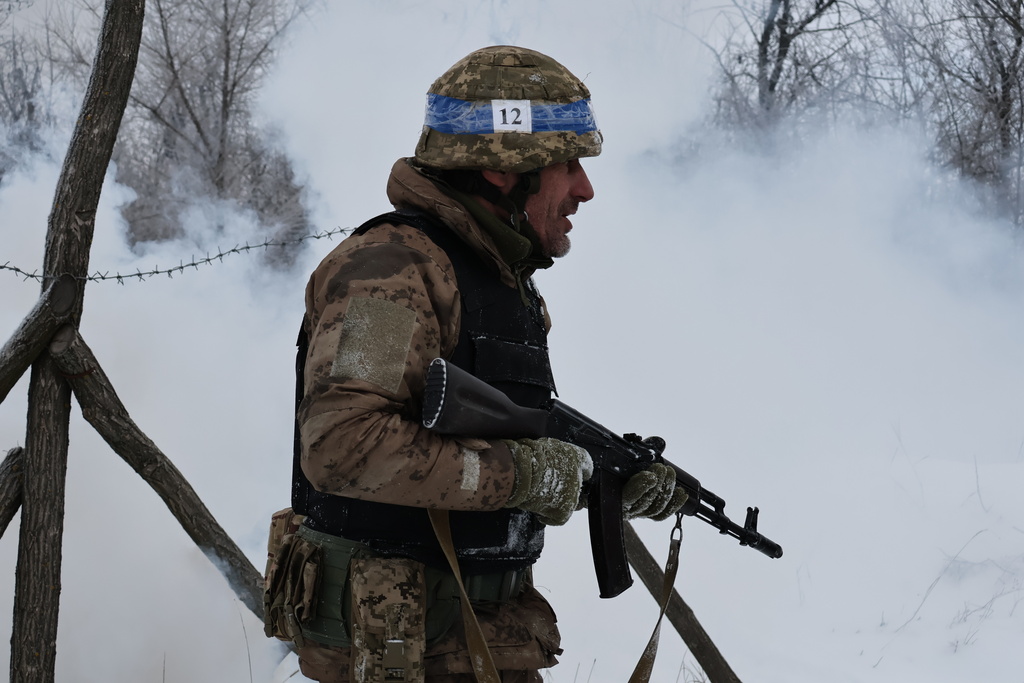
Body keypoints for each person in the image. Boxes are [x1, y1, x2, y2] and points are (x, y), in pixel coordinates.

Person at [263, 45, 687, 683]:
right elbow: (343, 444)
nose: (585, 189)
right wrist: (522, 476)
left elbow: (498, 428)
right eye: (567, 164)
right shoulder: (390, 269)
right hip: (397, 655)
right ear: (501, 172)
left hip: (473, 643)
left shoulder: (495, 277)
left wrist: (607, 476)